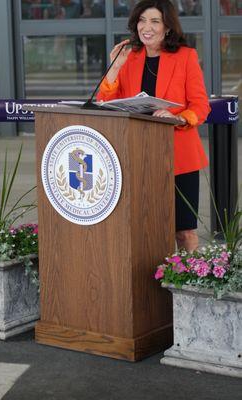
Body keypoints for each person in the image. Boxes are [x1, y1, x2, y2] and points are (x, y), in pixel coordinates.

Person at [97, 0, 210, 252]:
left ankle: (188, 285)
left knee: (184, 231)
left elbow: (201, 105)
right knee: (146, 228)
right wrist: (115, 66)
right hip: (139, 155)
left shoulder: (186, 56)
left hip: (179, 157)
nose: (146, 27)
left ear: (167, 27)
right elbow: (105, 103)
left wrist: (178, 117)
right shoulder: (129, 57)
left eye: (155, 21)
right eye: (142, 20)